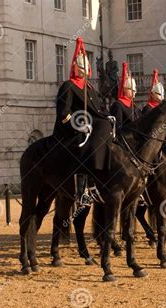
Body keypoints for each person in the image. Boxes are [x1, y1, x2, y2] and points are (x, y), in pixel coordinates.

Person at [53, 37, 112, 207]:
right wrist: (79, 124)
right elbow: (64, 112)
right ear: (75, 67)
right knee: (97, 131)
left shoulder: (90, 87)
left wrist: (109, 115)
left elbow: (99, 109)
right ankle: (83, 190)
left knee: (107, 125)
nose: (84, 72)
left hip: (92, 124)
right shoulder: (68, 86)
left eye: (86, 68)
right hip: (72, 129)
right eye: (81, 68)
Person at [110, 61, 138, 131]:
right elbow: (118, 127)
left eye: (135, 90)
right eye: (132, 89)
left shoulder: (134, 106)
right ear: (125, 89)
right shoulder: (118, 105)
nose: (135, 91)